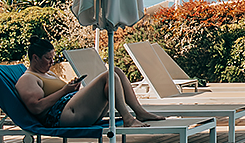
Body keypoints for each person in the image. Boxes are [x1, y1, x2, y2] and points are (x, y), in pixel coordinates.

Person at [17, 33, 163, 129]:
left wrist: (71, 88)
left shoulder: (47, 73)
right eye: (48, 59)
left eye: (53, 58)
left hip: (72, 108)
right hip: (61, 117)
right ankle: (128, 119)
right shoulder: (28, 78)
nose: (51, 62)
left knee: (115, 71)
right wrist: (64, 91)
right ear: (35, 58)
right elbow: (36, 107)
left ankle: (139, 112)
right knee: (109, 75)